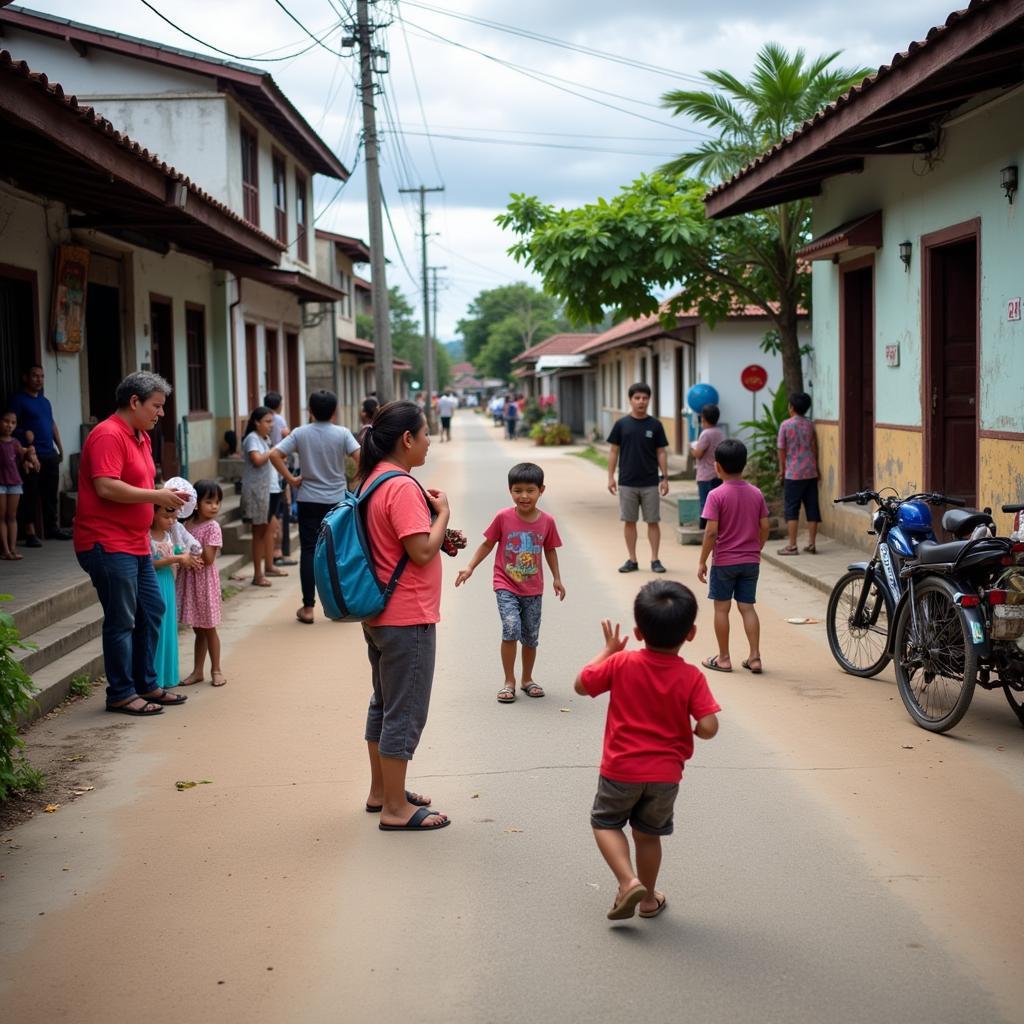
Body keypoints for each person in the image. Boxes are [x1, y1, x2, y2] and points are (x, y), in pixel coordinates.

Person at [575, 580, 720, 920]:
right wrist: (700, 728)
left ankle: (627, 881)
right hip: (665, 776)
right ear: (691, 633)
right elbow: (710, 726)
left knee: (606, 823)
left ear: (638, 632)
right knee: (648, 835)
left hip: (620, 769)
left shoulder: (622, 663)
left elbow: (582, 685)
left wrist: (608, 650)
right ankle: (648, 900)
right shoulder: (692, 677)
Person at [73, 371, 191, 716]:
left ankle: (146, 683)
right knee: (122, 619)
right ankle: (121, 692)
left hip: (135, 540)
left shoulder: (141, 436)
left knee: (152, 609)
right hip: (106, 542)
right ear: (134, 402)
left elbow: (143, 482)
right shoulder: (108, 434)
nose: (162, 413)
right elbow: (106, 487)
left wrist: (162, 500)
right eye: (156, 405)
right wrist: (157, 494)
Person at [359, 401, 450, 831]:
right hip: (406, 615)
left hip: (379, 613)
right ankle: (396, 809)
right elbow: (420, 550)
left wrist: (437, 534)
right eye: (426, 433)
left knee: (384, 703)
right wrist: (443, 514)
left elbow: (397, 544)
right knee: (405, 710)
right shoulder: (401, 486)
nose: (430, 441)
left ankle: (384, 792)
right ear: (407, 439)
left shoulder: (373, 480)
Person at [455, 462, 565, 703]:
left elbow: (550, 550)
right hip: (505, 583)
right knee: (511, 628)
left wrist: (557, 578)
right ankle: (509, 681)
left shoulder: (547, 521)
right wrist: (470, 567)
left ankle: (527, 679)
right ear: (510, 491)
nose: (524, 496)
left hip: (534, 588)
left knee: (530, 635)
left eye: (530, 490)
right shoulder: (503, 517)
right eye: (517, 490)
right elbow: (487, 544)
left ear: (541, 490)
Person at [269, 389, 359, 625]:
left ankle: (308, 607)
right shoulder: (342, 433)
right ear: (335, 411)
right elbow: (361, 456)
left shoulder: (301, 433)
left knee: (309, 551)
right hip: (337, 501)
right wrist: (355, 481)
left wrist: (291, 479)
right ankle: (342, 605)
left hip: (309, 498)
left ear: (309, 410)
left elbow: (275, 454)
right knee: (339, 552)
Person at [697, 439, 770, 675]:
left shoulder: (716, 495)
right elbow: (765, 526)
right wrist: (757, 548)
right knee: (747, 607)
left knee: (721, 609)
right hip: (750, 561)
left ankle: (724, 658)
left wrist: (702, 561)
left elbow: (711, 532)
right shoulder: (756, 493)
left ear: (717, 467)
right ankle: (755, 657)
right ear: (745, 465)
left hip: (724, 562)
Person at [607, 382, 670, 574]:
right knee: (629, 521)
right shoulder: (621, 425)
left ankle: (655, 559)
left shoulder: (655, 425)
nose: (641, 402)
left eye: (644, 398)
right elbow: (613, 451)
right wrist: (611, 477)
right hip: (627, 482)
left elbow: (661, 452)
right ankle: (632, 560)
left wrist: (664, 478)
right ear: (630, 400)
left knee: (653, 521)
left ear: (649, 400)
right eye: (637, 398)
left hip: (650, 482)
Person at [7, 364, 71, 545]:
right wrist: (23, 433)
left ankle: (52, 528)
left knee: (51, 494)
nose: (39, 380)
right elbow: (9, 425)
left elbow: (51, 424)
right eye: (35, 376)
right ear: (25, 377)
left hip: (49, 452)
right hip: (30, 454)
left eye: (42, 376)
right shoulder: (18, 400)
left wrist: (59, 446)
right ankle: (30, 532)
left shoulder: (45, 401)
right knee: (30, 494)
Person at [177, 480, 226, 687]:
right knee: (198, 628)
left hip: (205, 582)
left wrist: (191, 550)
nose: (214, 506)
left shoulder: (213, 527)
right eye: (209, 501)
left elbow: (208, 559)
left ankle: (216, 669)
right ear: (196, 504)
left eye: (217, 502)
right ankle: (198, 671)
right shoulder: (186, 525)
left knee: (209, 628)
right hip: (190, 580)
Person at [149, 504, 202, 690]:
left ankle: (167, 676)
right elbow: (151, 563)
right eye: (166, 516)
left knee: (169, 628)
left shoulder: (170, 535)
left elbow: (180, 551)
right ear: (153, 514)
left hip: (169, 584)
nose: (172, 521)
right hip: (153, 582)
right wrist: (177, 559)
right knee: (158, 628)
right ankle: (153, 678)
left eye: (174, 517)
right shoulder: (146, 536)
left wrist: (186, 556)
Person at [241, 406, 286, 587]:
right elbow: (257, 460)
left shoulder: (265, 439)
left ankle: (269, 565)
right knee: (258, 532)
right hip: (258, 492)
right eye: (267, 422)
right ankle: (257, 574)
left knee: (270, 528)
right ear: (256, 422)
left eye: (272, 422)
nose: (271, 425)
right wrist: (274, 452)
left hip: (271, 489)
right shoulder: (252, 438)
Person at [776, 392, 821, 555]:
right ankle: (812, 543)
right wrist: (817, 469)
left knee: (791, 509)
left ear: (792, 407)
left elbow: (782, 449)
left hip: (793, 473)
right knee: (812, 507)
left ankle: (792, 545)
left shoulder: (785, 425)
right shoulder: (810, 425)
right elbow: (815, 447)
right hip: (810, 471)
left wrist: (782, 470)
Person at [264, 390, 296, 568]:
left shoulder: (264, 417)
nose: (270, 425)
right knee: (282, 508)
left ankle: (276, 553)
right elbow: (287, 436)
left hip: (273, 468)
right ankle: (278, 552)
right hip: (279, 465)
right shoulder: (279, 419)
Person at [0, 410, 37, 560]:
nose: (9, 425)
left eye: (13, 423)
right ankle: (5, 550)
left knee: (12, 516)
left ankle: (13, 549)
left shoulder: (16, 443)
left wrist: (30, 455)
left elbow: (24, 457)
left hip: (14, 482)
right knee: (1, 517)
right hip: (0, 483)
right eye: (6, 421)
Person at [690, 404, 725, 530]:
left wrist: (692, 448)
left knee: (705, 504)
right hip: (718, 473)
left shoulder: (706, 434)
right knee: (717, 504)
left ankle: (704, 530)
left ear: (703, 418)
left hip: (705, 475)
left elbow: (698, 454)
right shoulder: (720, 433)